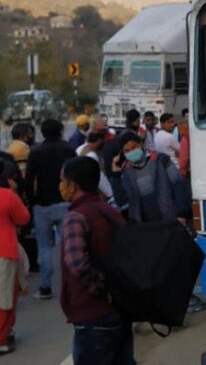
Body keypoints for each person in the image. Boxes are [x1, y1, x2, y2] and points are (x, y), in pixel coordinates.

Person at [59, 157, 134, 365]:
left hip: (92, 313)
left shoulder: (76, 216)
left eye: (62, 181)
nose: (61, 186)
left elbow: (77, 263)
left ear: (73, 185)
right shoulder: (110, 211)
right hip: (120, 309)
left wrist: (101, 289)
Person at [24, 119, 76, 300]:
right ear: (61, 130)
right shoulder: (68, 149)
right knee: (68, 245)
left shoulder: (36, 151)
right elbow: (75, 173)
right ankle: (72, 286)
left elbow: (29, 180)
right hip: (65, 202)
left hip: (43, 205)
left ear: (42, 133)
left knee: (44, 247)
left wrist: (32, 202)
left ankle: (45, 287)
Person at [111, 133, 189, 224]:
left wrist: (182, 213)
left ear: (140, 144)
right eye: (127, 151)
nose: (131, 152)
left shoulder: (161, 160)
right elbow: (121, 201)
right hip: (145, 226)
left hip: (170, 219)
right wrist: (115, 175)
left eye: (134, 147)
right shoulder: (126, 172)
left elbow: (177, 184)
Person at [0, 161, 30, 355]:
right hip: (4, 250)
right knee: (4, 296)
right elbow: (23, 218)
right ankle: (2, 337)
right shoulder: (7, 196)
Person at [77, 132, 114, 203]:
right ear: (96, 142)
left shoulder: (80, 148)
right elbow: (99, 176)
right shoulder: (92, 155)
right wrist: (110, 193)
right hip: (93, 187)